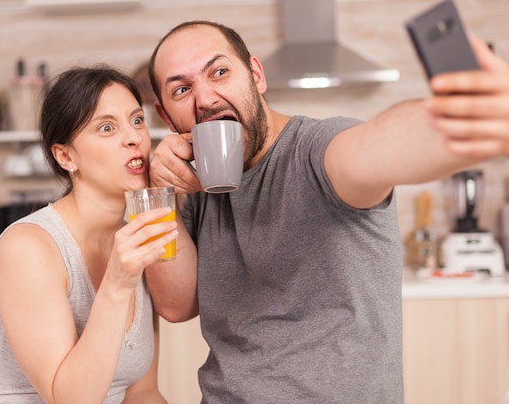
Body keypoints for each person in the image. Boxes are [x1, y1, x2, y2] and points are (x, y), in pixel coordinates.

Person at [143, 20, 509, 403]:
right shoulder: (198, 188)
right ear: (167, 118)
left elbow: (375, 149)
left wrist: (461, 123)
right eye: (182, 89)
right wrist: (158, 189)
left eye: (219, 72)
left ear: (255, 75)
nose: (205, 98)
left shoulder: (316, 150)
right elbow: (176, 304)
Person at [0, 65, 184, 404]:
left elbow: (142, 391)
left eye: (137, 120)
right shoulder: (28, 248)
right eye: (107, 127)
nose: (134, 137)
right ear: (66, 156)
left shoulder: (135, 240)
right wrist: (117, 283)